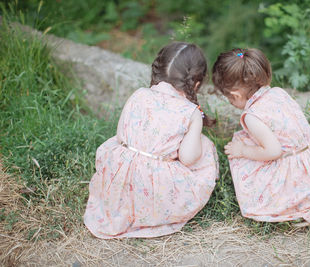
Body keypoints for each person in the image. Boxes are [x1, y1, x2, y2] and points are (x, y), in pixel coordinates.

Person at [84, 42, 218, 238]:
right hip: (154, 187)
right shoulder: (191, 112)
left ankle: (121, 206)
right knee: (205, 147)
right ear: (196, 84)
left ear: (158, 71)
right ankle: (150, 212)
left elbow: (121, 136)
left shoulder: (140, 94)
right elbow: (189, 158)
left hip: (119, 173)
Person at [212, 48, 310, 223]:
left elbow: (274, 151)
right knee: (245, 139)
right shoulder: (277, 92)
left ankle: (289, 196)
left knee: (240, 146)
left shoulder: (252, 116)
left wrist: (243, 151)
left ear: (235, 95)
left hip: (294, 172)